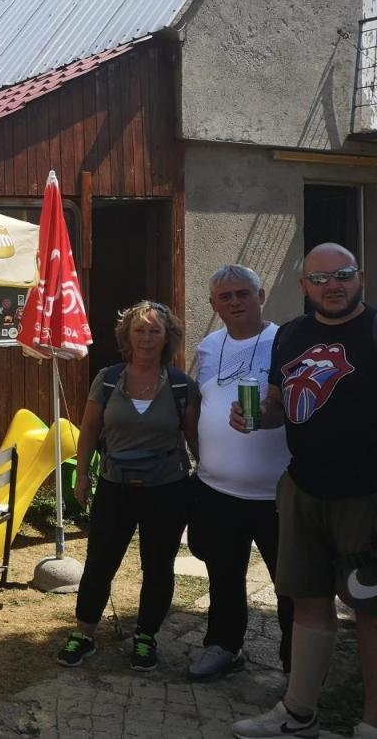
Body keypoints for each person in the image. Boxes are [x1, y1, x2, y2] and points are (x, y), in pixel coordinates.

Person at [231, 244, 377, 739]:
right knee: (308, 601)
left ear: (359, 278)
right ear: (303, 286)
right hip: (303, 486)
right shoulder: (290, 335)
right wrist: (255, 419)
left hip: (366, 494)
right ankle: (298, 713)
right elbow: (277, 405)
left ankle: (371, 722)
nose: (333, 285)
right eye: (321, 278)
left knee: (370, 608)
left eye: (344, 274)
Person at [56, 300, 198, 672]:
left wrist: (205, 482)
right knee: (100, 563)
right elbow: (88, 430)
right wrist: (82, 474)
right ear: (127, 335)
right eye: (140, 330)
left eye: (155, 330)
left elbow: (194, 438)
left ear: (167, 337)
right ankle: (84, 634)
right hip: (115, 486)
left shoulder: (182, 385)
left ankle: (146, 637)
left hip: (167, 489)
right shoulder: (107, 378)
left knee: (158, 566)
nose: (147, 338)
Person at [187, 265, 292, 682]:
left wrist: (263, 418)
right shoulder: (210, 345)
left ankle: (296, 664)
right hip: (216, 489)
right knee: (224, 575)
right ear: (214, 305)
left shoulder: (285, 341)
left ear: (261, 296)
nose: (234, 303)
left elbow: (288, 406)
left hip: (277, 492)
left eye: (242, 294)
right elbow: (197, 403)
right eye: (225, 297)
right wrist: (200, 457)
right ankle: (224, 646)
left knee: (289, 583)